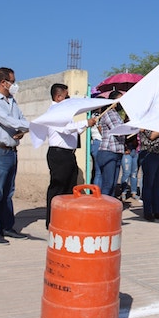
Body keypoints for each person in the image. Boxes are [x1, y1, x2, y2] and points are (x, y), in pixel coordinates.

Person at [0, 67, 30, 245]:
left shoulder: (12, 101)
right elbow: (8, 121)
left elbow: (21, 120)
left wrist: (23, 130)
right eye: (12, 81)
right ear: (3, 82)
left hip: (10, 151)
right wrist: (29, 126)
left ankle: (7, 227)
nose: (14, 85)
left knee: (8, 192)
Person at [44, 83, 97, 229]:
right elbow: (66, 129)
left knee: (69, 188)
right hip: (59, 154)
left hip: (68, 154)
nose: (69, 98)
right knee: (58, 188)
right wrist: (85, 122)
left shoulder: (63, 112)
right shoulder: (55, 111)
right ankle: (52, 220)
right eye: (66, 96)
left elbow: (72, 132)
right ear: (58, 96)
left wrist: (86, 125)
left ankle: (65, 219)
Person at [95, 91, 125, 197]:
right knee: (108, 185)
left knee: (112, 185)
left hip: (117, 151)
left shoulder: (116, 114)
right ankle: (102, 209)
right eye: (120, 99)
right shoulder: (109, 113)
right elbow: (117, 129)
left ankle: (110, 211)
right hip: (108, 151)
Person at [120, 133, 140, 200]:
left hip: (135, 150)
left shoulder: (136, 128)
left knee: (134, 173)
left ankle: (134, 192)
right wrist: (125, 148)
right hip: (127, 150)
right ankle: (123, 192)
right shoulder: (125, 127)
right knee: (126, 172)